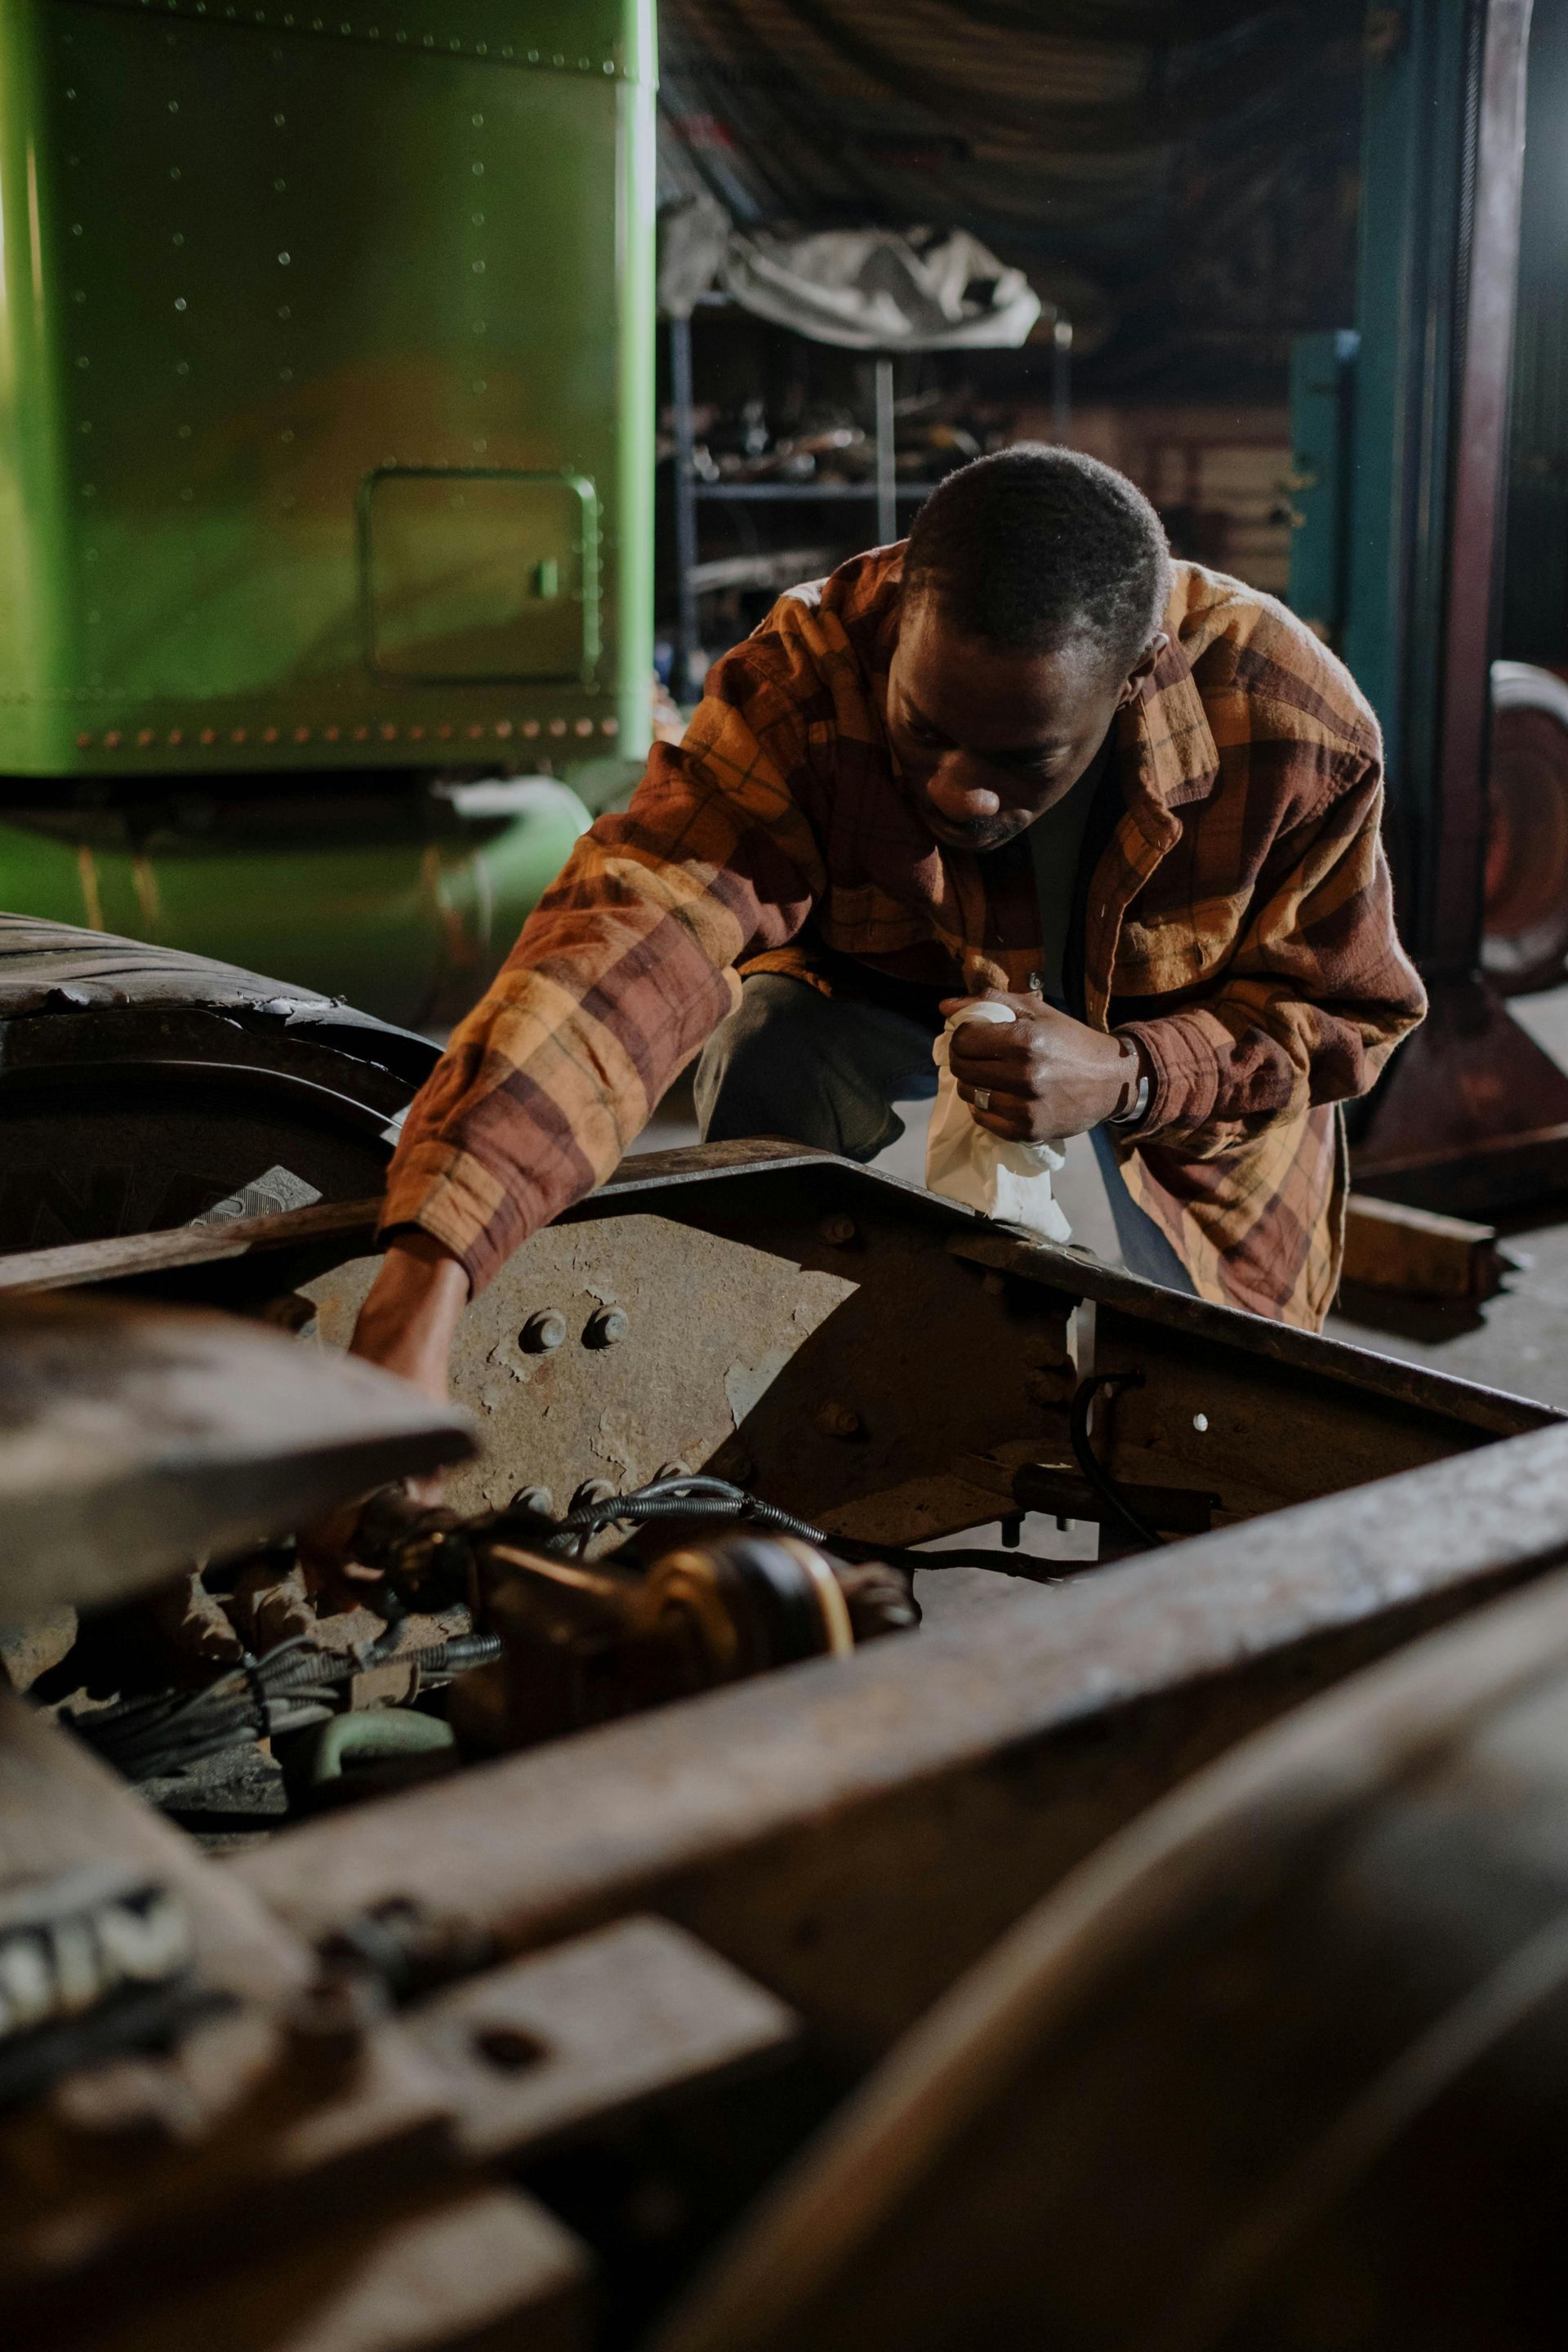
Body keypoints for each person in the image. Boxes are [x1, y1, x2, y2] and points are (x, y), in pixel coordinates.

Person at [351, 445, 1426, 1406]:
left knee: (1198, 1443)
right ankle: (821, 1438)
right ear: (907, 606)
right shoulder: (809, 676)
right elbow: (629, 942)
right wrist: (430, 1271)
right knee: (769, 1039)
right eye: (925, 731)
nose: (960, 796)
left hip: (1185, 1140)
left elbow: (1340, 1014)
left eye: (1021, 761)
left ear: (1142, 672)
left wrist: (1133, 1076)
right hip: (893, 1046)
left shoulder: (1293, 726)